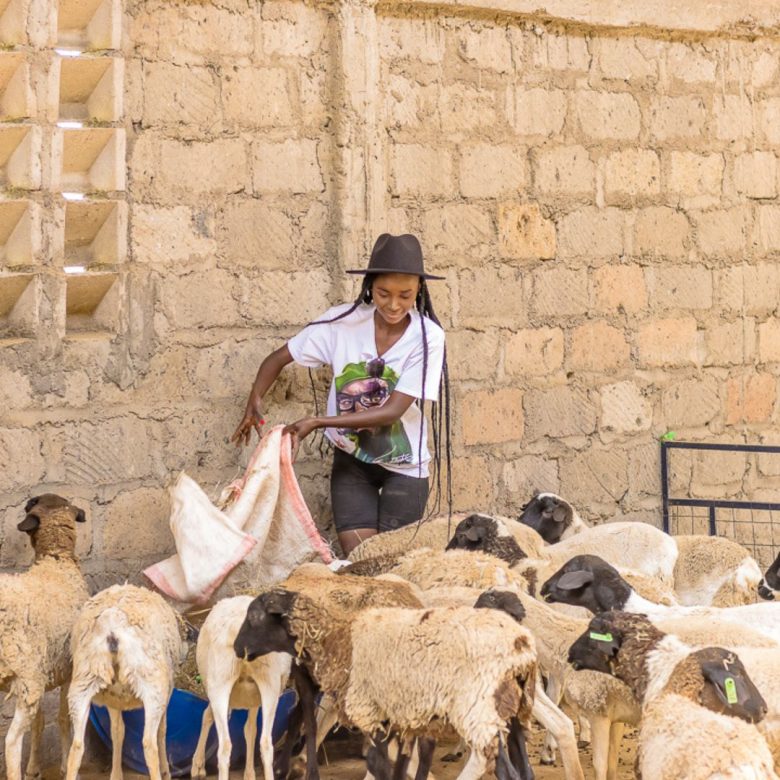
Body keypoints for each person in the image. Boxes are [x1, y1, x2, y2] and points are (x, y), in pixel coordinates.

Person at [232, 233, 450, 555]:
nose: (394, 305)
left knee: (392, 563)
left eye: (405, 295)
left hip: (405, 469)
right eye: (383, 293)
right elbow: (279, 357)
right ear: (370, 287)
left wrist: (317, 421)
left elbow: (392, 412)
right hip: (352, 464)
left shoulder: (427, 336)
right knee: (360, 560)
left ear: (419, 289)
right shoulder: (342, 323)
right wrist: (255, 398)